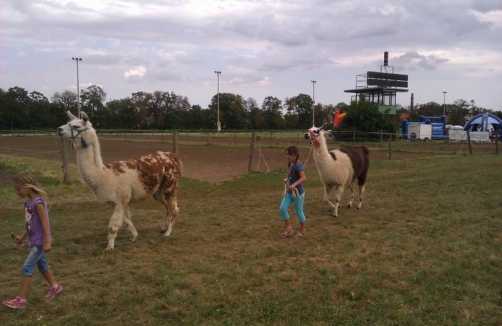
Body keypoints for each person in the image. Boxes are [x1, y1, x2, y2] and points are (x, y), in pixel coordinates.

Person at [3, 171, 63, 309]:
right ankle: (55, 286)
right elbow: (28, 223)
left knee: (27, 267)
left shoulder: (38, 203)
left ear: (28, 186)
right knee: (42, 266)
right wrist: (21, 237)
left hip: (39, 242)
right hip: (33, 240)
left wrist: (47, 241)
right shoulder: (28, 204)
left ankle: (21, 300)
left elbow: (45, 223)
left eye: (18, 189)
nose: (17, 192)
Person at [278, 146, 307, 238]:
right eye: (286, 154)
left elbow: (303, 177)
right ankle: (289, 229)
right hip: (289, 192)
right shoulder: (290, 164)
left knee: (298, 211)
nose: (287, 156)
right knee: (282, 208)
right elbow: (292, 175)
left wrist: (294, 184)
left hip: (298, 193)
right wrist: (287, 179)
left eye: (289, 155)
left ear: (295, 155)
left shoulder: (298, 165)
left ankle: (302, 230)